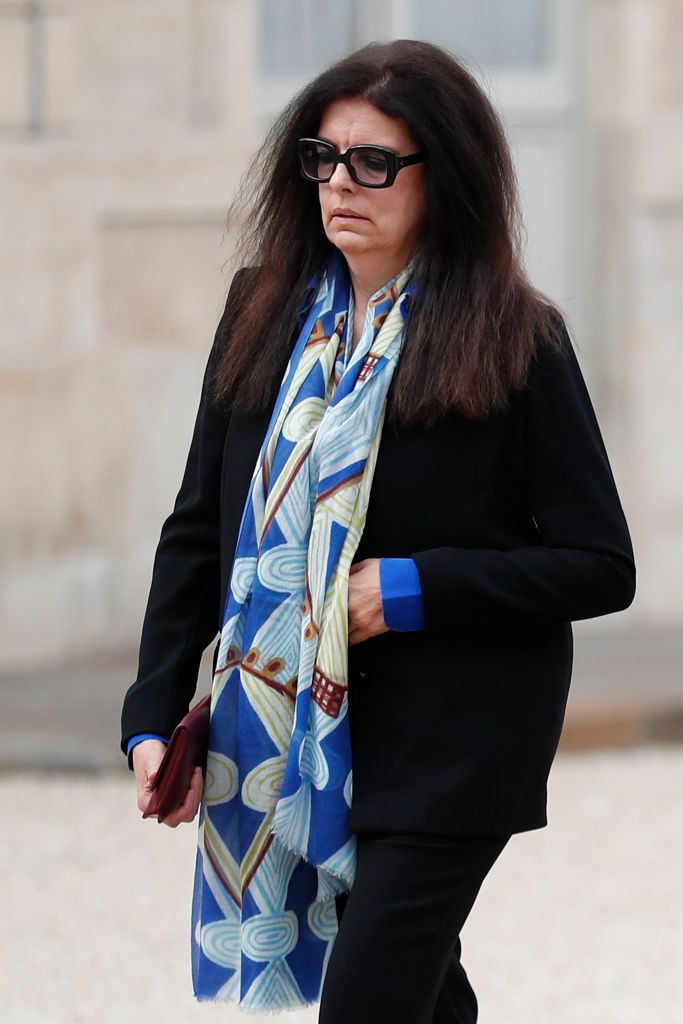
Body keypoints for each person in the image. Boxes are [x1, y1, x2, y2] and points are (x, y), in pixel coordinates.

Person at [120, 39, 636, 1022]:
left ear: (443, 178)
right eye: (323, 158)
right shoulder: (259, 316)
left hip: (449, 744)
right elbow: (198, 528)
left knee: (364, 1001)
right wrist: (150, 712)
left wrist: (404, 590)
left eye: (373, 163)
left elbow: (597, 564)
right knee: (417, 993)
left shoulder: (515, 338)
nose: (339, 184)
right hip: (290, 736)